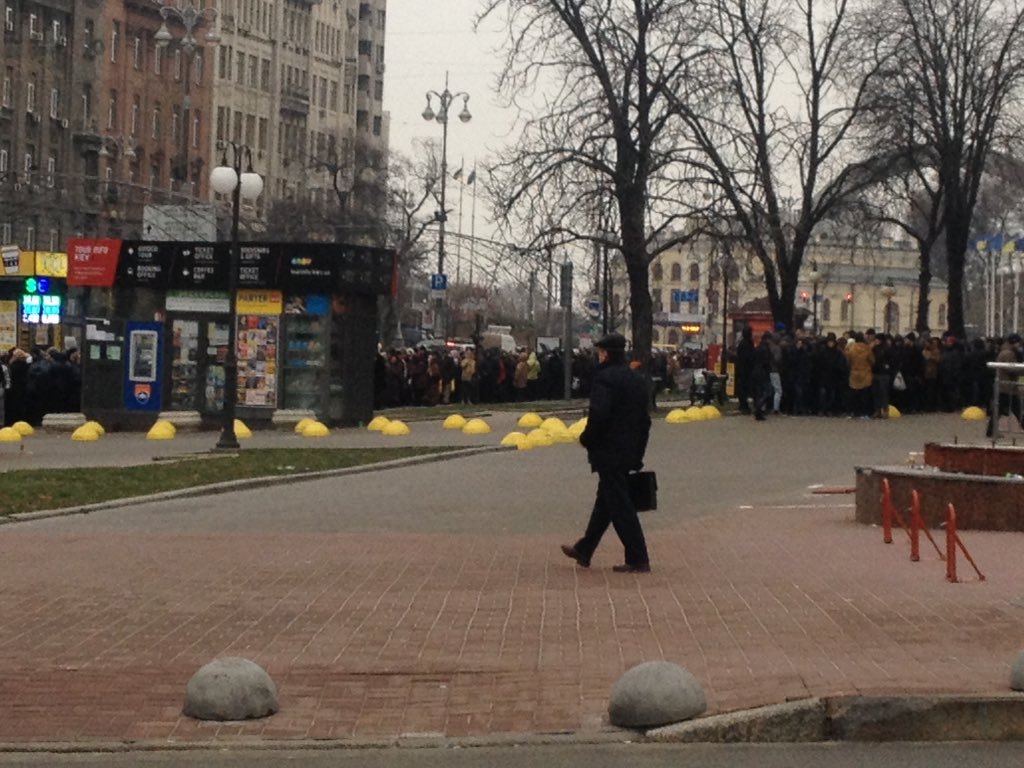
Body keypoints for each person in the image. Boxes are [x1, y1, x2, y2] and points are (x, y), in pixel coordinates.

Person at [561, 333, 652, 573]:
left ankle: (638, 557)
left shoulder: (604, 379)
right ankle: (585, 549)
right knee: (607, 501)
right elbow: (645, 422)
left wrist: (586, 439)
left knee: (621, 506)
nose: (598, 356)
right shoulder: (637, 379)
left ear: (606, 354)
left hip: (608, 452)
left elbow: (599, 415)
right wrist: (638, 453)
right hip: (628, 450)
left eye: (600, 352)